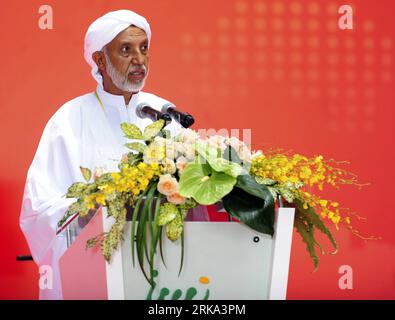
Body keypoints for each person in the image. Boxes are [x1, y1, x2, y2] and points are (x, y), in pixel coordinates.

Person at [19, 9, 182, 300]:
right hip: (91, 272)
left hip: (160, 269)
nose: (139, 60)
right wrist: (91, 205)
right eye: (126, 50)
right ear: (100, 60)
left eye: (144, 48)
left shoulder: (164, 114)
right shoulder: (68, 120)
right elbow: (37, 212)